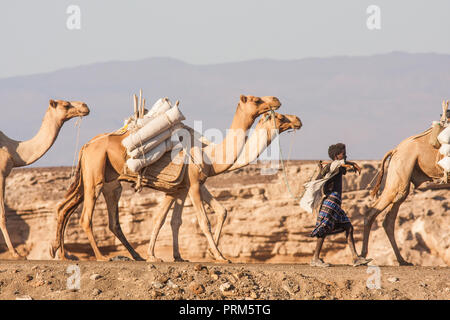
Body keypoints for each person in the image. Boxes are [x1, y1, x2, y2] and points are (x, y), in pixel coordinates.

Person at [310, 143, 372, 267]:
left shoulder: (335, 166)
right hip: (330, 202)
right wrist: (352, 164)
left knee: (348, 227)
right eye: (343, 153)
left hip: (336, 203)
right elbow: (335, 166)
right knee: (323, 229)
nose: (345, 155)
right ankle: (315, 259)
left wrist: (351, 164)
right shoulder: (332, 166)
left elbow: (341, 165)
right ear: (336, 155)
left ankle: (355, 258)